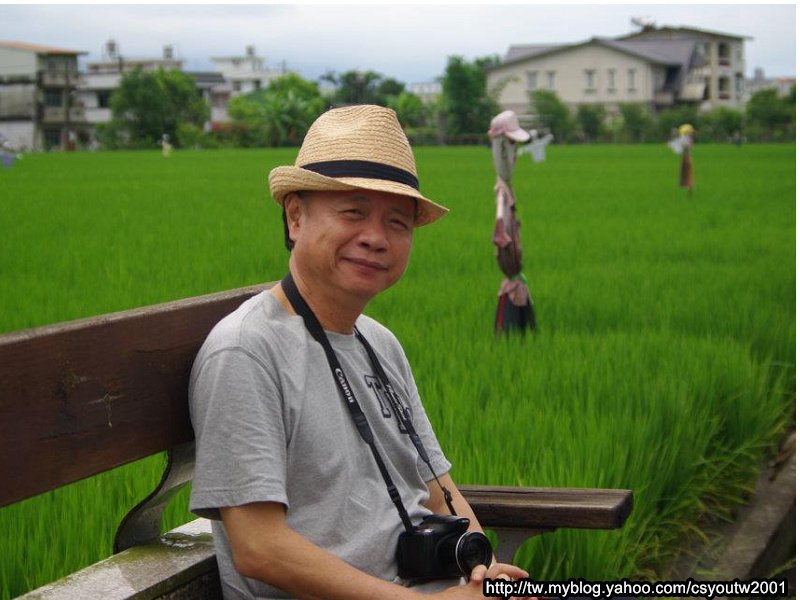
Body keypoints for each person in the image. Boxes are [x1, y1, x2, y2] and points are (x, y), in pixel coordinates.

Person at [189, 105, 527, 600]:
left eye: (397, 222)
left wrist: (485, 568)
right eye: (353, 212)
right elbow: (258, 548)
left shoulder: (379, 342)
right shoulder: (247, 351)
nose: (376, 238)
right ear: (296, 216)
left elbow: (437, 487)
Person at [488, 110, 536, 333]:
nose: (513, 155)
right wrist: (501, 232)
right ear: (498, 149)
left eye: (515, 148)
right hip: (511, 271)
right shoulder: (503, 193)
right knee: (511, 335)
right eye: (508, 147)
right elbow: (499, 231)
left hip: (515, 273)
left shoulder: (508, 190)